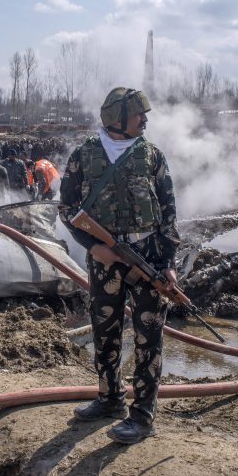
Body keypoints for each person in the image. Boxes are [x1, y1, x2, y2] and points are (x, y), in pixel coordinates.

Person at [59, 87, 179, 445]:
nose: (145, 119)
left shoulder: (152, 156)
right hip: (104, 262)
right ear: (117, 117)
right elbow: (67, 210)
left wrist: (169, 262)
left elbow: (169, 212)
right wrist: (95, 247)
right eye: (138, 113)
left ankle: (142, 415)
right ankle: (110, 398)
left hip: (149, 259)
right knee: (105, 330)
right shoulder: (84, 155)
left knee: (148, 337)